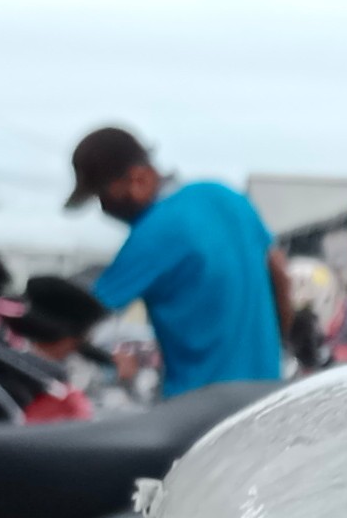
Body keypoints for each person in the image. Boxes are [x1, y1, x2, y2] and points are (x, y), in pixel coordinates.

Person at [64, 126, 288, 396]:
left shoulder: (152, 234)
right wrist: (277, 347)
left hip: (199, 410)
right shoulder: (226, 196)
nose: (104, 208)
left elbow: (80, 319)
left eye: (104, 196)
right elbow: (280, 272)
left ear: (139, 179)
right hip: (267, 394)